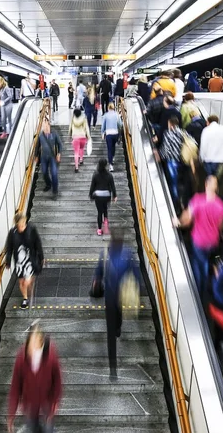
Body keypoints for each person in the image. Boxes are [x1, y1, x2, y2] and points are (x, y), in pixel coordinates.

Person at [93, 230, 141, 378]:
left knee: (111, 331)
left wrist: (96, 281)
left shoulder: (106, 254)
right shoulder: (128, 253)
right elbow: (136, 273)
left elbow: (99, 272)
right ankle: (112, 367)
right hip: (122, 295)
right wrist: (136, 288)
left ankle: (113, 368)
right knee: (113, 328)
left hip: (111, 296)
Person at [7, 323, 62, 433]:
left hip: (47, 403)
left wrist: (55, 402)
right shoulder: (21, 357)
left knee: (48, 429)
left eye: (34, 344)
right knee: (33, 428)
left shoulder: (51, 355)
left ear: (41, 342)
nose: (30, 348)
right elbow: (15, 386)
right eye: (30, 343)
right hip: (30, 404)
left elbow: (57, 381)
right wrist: (11, 413)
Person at [175, 175, 223, 296]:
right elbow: (220, 226)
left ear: (206, 185)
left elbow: (187, 220)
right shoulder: (220, 205)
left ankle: (198, 292)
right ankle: (206, 285)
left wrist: (177, 222)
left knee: (198, 264)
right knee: (206, 261)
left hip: (199, 240)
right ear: (216, 188)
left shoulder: (197, 200)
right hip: (213, 240)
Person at [5, 213, 45, 309]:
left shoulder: (31, 230)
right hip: (19, 261)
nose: (21, 228)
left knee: (27, 280)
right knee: (21, 282)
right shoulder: (12, 233)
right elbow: (9, 247)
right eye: (19, 226)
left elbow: (38, 243)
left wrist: (41, 257)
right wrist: (8, 261)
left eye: (23, 225)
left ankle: (30, 283)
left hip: (30, 259)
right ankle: (25, 298)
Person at [159, 117, 186, 202]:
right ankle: (181, 197)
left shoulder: (168, 134)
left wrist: (160, 156)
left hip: (171, 161)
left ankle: (175, 201)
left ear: (171, 125)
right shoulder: (183, 132)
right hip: (181, 160)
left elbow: (165, 149)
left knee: (173, 182)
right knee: (178, 180)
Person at [89, 159, 117, 235]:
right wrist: (114, 196)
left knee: (99, 212)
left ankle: (99, 230)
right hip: (107, 195)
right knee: (105, 210)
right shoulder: (109, 175)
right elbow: (113, 186)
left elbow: (92, 186)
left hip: (98, 196)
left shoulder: (95, 174)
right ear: (105, 165)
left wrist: (91, 195)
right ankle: (106, 223)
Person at [36, 120, 62, 197]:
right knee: (44, 172)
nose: (44, 128)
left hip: (52, 156)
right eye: (43, 127)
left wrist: (59, 153)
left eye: (46, 126)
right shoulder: (41, 135)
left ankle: (55, 191)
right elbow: (37, 146)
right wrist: (36, 156)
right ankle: (48, 184)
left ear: (49, 125)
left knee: (54, 173)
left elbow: (60, 144)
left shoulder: (54, 134)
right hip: (43, 157)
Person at [69, 108, 91, 173]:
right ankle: (81, 159)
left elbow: (70, 127)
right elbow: (87, 128)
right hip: (82, 136)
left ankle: (76, 167)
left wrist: (69, 135)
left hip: (75, 137)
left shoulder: (72, 119)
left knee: (76, 152)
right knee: (81, 148)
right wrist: (88, 136)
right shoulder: (84, 119)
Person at [101, 102, 120, 170]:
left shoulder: (105, 115)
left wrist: (102, 133)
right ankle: (113, 157)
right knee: (113, 146)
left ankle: (111, 165)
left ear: (108, 107)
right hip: (115, 133)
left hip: (108, 133)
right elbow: (120, 124)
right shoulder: (116, 114)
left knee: (109, 148)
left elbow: (103, 125)